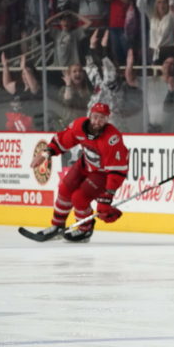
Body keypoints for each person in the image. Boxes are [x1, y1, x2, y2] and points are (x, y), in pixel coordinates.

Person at [26, 102, 128, 242]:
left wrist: (106, 200)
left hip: (103, 173)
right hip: (85, 165)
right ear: (90, 116)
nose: (98, 121)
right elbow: (63, 140)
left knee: (79, 198)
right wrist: (46, 153)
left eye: (102, 118)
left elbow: (116, 171)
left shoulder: (112, 138)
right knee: (64, 189)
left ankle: (85, 230)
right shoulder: (79, 126)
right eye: (96, 117)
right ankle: (57, 227)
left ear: (107, 120)